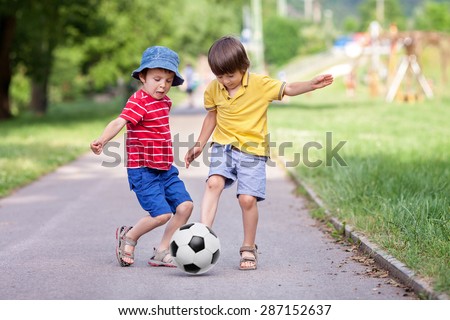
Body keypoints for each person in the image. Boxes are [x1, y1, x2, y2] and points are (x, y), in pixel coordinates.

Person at [184, 36, 333, 271]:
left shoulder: (260, 84)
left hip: (252, 151)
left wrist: (311, 84)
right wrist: (199, 144)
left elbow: (288, 88)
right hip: (223, 146)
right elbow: (211, 116)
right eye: (219, 76)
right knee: (213, 182)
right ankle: (203, 236)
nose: (225, 81)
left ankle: (248, 247)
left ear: (244, 67)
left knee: (247, 199)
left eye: (230, 75)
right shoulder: (214, 88)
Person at [91, 46, 193, 267]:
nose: (163, 85)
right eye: (157, 78)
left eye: (168, 80)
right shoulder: (138, 101)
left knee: (185, 206)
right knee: (161, 214)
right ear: (142, 77)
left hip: (165, 168)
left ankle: (162, 250)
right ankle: (129, 237)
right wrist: (103, 139)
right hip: (144, 170)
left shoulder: (165, 102)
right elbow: (120, 121)